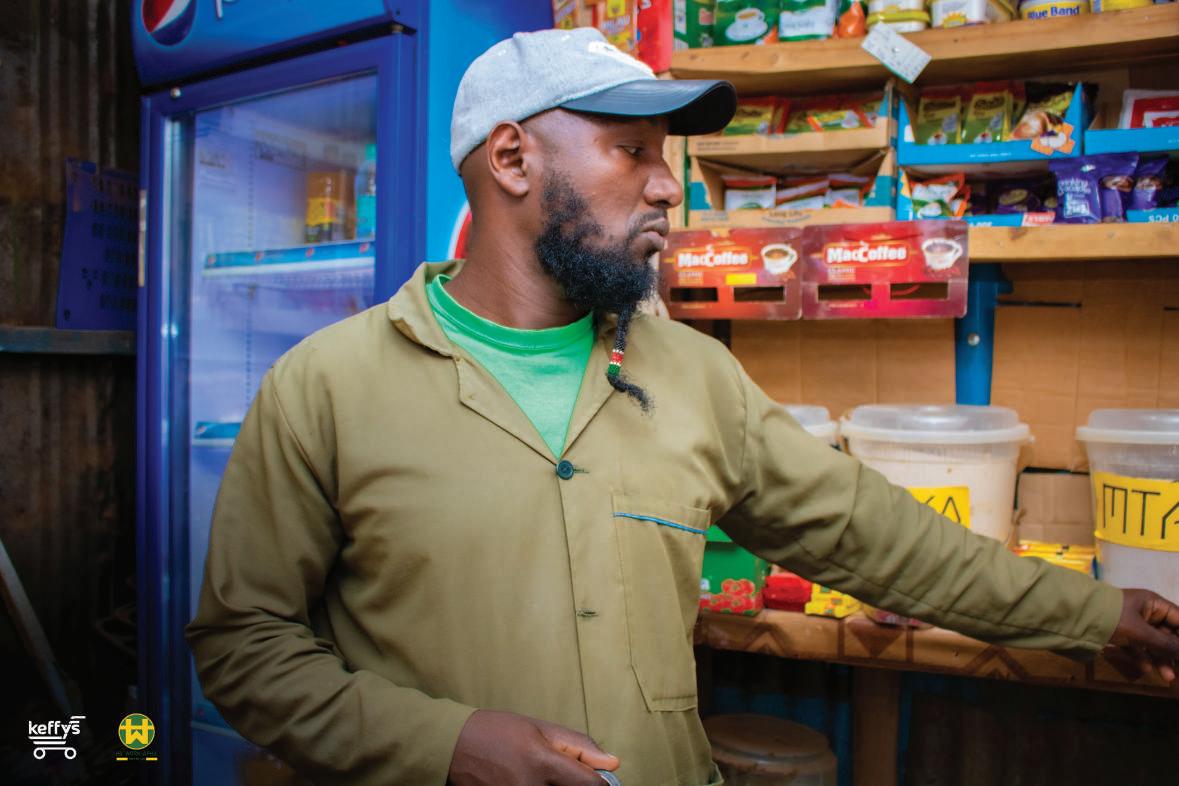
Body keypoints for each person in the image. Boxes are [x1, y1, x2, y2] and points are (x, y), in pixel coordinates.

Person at [187, 28, 1179, 786]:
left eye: (664, 155)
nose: (668, 187)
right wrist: (446, 745)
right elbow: (244, 646)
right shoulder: (328, 387)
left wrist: (1095, 612)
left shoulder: (694, 376)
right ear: (512, 160)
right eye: (630, 150)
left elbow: (877, 537)